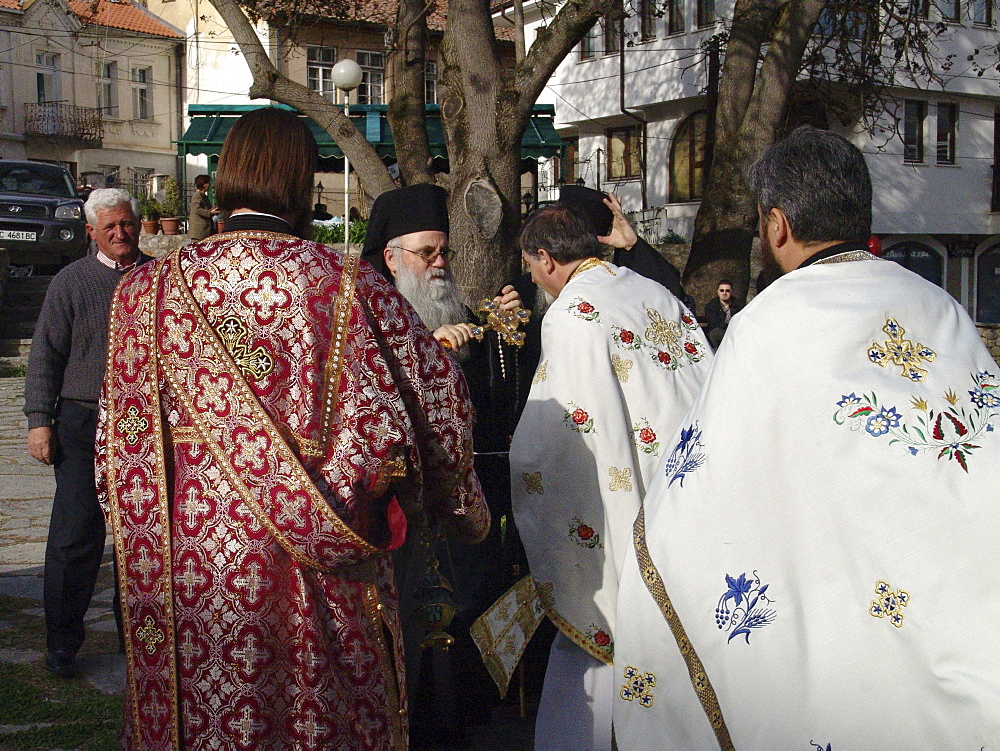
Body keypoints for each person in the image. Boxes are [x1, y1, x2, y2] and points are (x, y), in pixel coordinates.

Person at [97, 108, 488, 749]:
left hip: (193, 570)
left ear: (224, 179)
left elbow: (118, 450)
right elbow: (441, 404)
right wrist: (452, 498)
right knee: (314, 711)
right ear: (303, 185)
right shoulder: (349, 286)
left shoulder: (146, 292)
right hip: (319, 561)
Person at [613, 127, 1000, 749]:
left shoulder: (767, 326)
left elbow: (695, 507)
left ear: (777, 225)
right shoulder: (940, 307)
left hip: (834, 632)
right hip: (948, 623)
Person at [510, 205, 712, 750]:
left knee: (597, 645)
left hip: (629, 519)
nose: (531, 278)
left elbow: (559, 439)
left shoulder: (575, 314)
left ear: (547, 259)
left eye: (530, 267)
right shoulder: (652, 293)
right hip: (690, 503)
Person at [361, 183, 522, 742]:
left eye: (443, 252)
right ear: (391, 258)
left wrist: (497, 338)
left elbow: (481, 403)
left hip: (457, 503)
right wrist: (429, 351)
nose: (438, 264)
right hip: (401, 513)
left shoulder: (448, 304)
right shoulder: (367, 316)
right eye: (425, 253)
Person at [24, 187, 148, 678]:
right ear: (91, 232)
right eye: (110, 227)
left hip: (143, 422)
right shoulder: (70, 282)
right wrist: (39, 421)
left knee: (146, 537)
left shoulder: (160, 278)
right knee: (76, 536)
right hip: (81, 419)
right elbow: (45, 355)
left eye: (128, 224)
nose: (121, 234)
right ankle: (62, 644)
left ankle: (140, 643)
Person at [507, 186, 688, 419]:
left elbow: (670, 298)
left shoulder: (622, 288)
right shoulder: (522, 289)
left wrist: (632, 246)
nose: (533, 276)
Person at [703, 278, 741, 350]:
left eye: (727, 291)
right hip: (719, 333)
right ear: (718, 292)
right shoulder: (711, 306)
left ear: (731, 292)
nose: (724, 293)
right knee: (716, 333)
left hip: (735, 333)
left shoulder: (739, 305)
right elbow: (714, 324)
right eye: (722, 290)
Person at [187, 174, 218, 240]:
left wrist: (213, 210)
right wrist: (210, 213)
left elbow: (205, 209)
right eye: (208, 183)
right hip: (199, 233)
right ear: (204, 184)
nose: (209, 185)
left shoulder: (203, 195)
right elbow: (197, 209)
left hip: (204, 231)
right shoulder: (197, 195)